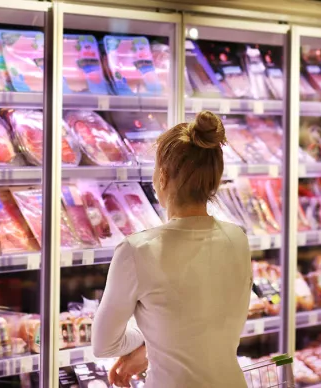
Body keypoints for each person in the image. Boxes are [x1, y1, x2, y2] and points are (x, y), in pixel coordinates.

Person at [91, 111, 253, 388]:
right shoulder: (238, 239)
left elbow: (104, 345)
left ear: (163, 177)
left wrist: (148, 339)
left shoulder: (137, 251)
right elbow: (201, 327)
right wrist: (156, 345)